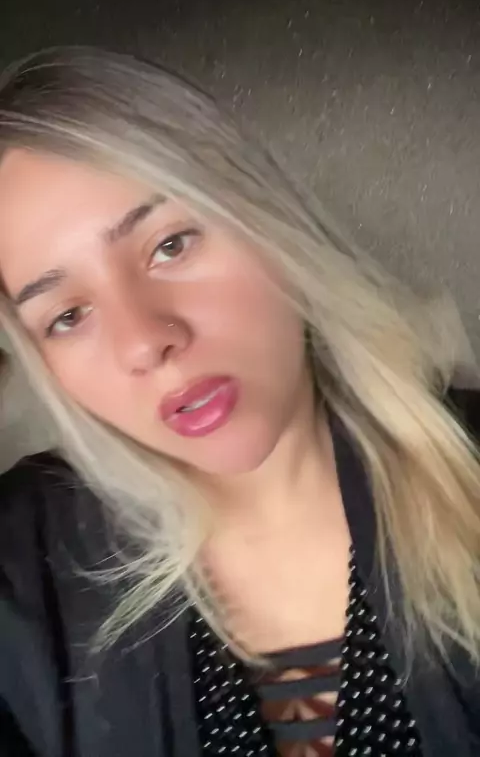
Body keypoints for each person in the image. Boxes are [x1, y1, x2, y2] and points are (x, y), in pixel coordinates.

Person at [0, 46, 479, 757]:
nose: (145, 341)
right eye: (67, 316)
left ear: (265, 220)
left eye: (170, 244)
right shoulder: (26, 560)